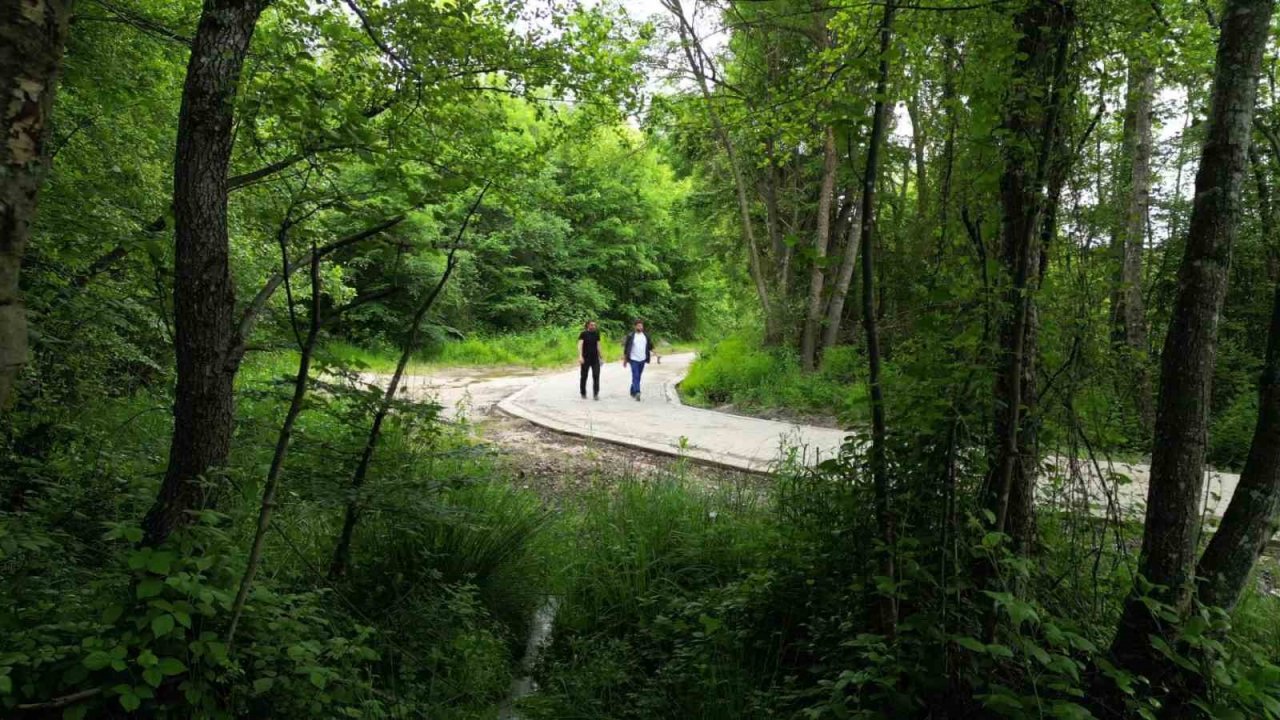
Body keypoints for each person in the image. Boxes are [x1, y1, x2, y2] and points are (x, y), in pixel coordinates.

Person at [621, 319, 658, 401]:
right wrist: (625, 360)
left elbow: (650, 346)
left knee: (638, 376)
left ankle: (632, 390)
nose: (640, 327)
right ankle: (637, 392)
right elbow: (626, 348)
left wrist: (657, 354)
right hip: (633, 359)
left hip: (642, 359)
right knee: (636, 375)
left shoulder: (646, 336)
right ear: (635, 327)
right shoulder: (631, 336)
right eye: (638, 326)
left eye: (641, 326)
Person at [578, 320, 602, 400]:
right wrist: (580, 356)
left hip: (595, 358)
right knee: (584, 376)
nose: (593, 326)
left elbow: (598, 345)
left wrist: (601, 357)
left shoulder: (597, 334)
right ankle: (583, 393)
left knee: (596, 375)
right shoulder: (583, 334)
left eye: (594, 325)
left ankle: (596, 394)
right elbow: (580, 345)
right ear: (588, 325)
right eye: (592, 325)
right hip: (585, 358)